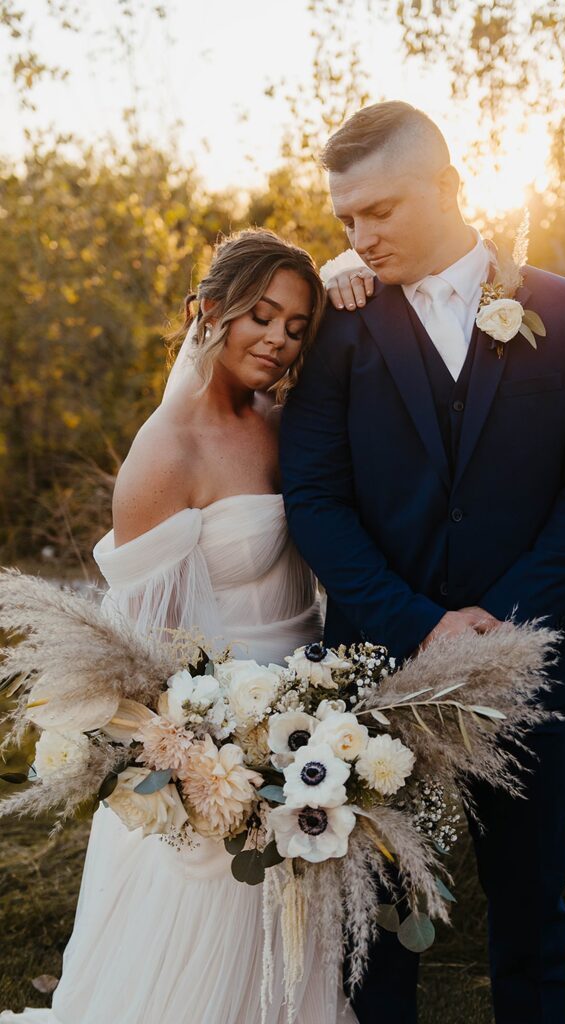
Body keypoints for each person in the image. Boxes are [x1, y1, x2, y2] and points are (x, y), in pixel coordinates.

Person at [280, 101, 565, 1024]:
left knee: (529, 917)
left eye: (380, 211)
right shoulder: (338, 323)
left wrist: (498, 624)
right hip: (378, 674)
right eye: (345, 219)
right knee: (381, 925)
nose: (361, 234)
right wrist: (419, 625)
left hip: (532, 670)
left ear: (446, 185)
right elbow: (314, 497)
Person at [1, 229, 357, 1024]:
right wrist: (208, 761)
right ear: (209, 309)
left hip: (310, 723)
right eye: (261, 315)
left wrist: (351, 272)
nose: (278, 339)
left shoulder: (284, 417)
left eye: (297, 326)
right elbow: (140, 656)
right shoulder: (164, 453)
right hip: (215, 742)